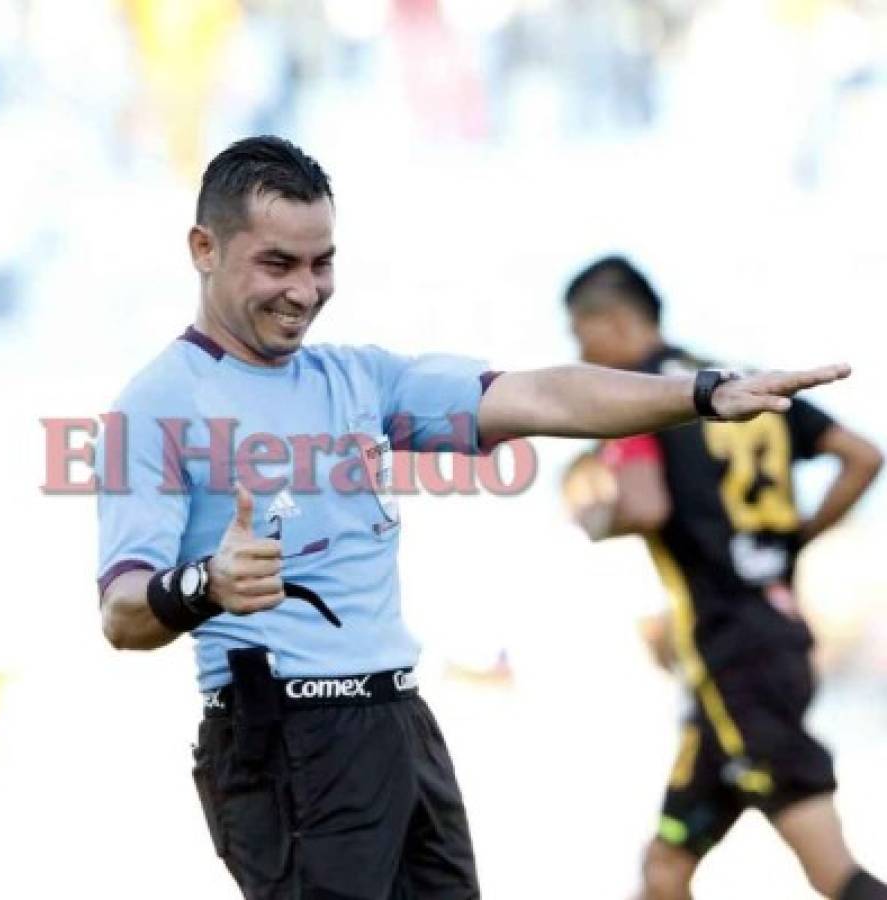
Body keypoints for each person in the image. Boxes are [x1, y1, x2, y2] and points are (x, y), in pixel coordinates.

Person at [94, 136, 849, 899]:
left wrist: (698, 394)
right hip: (285, 739)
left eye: (321, 263)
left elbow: (542, 397)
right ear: (203, 248)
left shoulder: (358, 375)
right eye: (277, 264)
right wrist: (203, 583)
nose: (304, 290)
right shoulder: (155, 405)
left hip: (399, 722)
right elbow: (122, 615)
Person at [561, 256, 884, 900]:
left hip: (733, 656)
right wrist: (796, 540)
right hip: (766, 643)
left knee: (835, 875)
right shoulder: (741, 383)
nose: (579, 352)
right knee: (665, 869)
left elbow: (646, 504)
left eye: (580, 333)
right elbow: (862, 456)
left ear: (616, 321)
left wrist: (593, 514)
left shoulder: (641, 396)